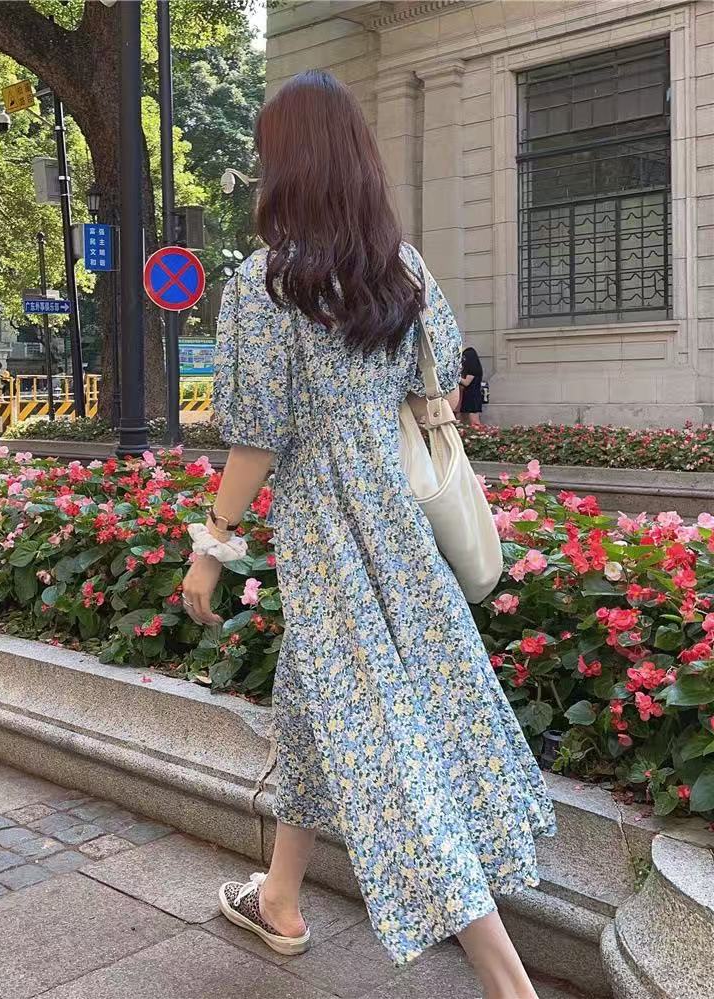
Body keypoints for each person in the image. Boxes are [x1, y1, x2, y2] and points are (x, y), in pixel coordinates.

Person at [181, 70, 555, 999]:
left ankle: (509, 984)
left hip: (329, 536)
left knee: (391, 748)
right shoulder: (403, 269)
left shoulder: (266, 283)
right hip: (400, 525)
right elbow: (443, 382)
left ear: (286, 163)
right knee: (320, 706)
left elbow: (257, 435)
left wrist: (210, 545)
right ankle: (280, 898)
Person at [459, 346, 484, 426]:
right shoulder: (474, 368)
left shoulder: (473, 369)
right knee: (466, 421)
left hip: (472, 397)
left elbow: (466, 382)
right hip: (469, 396)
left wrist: (456, 377)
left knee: (474, 422)